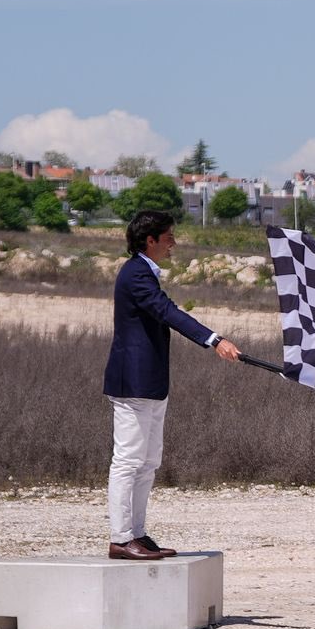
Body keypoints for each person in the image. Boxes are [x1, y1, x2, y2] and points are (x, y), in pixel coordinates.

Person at [104, 210, 243, 561]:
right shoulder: (136, 273)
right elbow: (168, 312)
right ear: (150, 240)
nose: (173, 244)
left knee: (148, 461)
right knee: (128, 460)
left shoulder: (145, 272)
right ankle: (121, 538)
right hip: (132, 381)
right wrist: (214, 340)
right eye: (168, 237)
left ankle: (137, 533)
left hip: (150, 382)